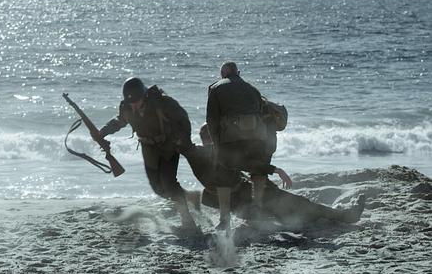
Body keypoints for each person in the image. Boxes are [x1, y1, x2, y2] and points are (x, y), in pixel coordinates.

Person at [186, 123, 365, 229]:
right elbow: (250, 165)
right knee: (303, 205)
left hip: (245, 207)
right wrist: (275, 169)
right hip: (255, 199)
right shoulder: (221, 153)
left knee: (294, 212)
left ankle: (326, 218)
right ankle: (347, 216)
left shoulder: (197, 155)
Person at [95, 77, 201, 235]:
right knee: (158, 189)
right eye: (131, 102)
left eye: (137, 101)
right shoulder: (127, 106)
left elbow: (183, 119)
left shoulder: (163, 102)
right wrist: (102, 132)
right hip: (148, 147)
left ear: (144, 95)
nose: (134, 105)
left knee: (169, 183)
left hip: (168, 146)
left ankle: (187, 221)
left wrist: (183, 141)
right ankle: (191, 197)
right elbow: (120, 121)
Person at [206, 61, 270, 231]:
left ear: (222, 74)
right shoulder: (253, 89)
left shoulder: (216, 88)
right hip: (257, 138)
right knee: (258, 172)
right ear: (238, 73)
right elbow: (261, 113)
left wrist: (216, 144)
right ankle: (257, 211)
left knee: (223, 176)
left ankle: (225, 219)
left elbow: (211, 120)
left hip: (231, 138)